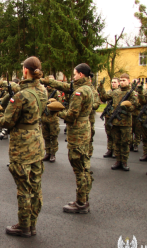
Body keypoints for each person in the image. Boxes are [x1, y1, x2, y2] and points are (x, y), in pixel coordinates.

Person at [0, 56, 47, 237]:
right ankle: (33, 224)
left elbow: (7, 122)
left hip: (22, 145)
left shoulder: (21, 96)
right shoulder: (42, 90)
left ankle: (24, 226)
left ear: (25, 71)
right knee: (36, 186)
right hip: (37, 142)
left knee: (23, 187)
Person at [41, 63, 94, 213]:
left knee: (79, 168)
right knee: (83, 166)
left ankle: (81, 203)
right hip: (84, 131)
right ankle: (83, 199)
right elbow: (64, 86)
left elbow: (71, 116)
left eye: (75, 74)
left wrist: (56, 111)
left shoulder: (80, 92)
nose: (73, 76)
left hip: (78, 132)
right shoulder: (86, 87)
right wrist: (46, 80)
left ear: (81, 75)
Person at [98, 74, 139, 171]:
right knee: (116, 142)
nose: (122, 82)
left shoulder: (132, 93)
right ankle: (117, 160)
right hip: (115, 122)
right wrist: (101, 87)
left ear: (128, 81)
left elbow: (135, 106)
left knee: (125, 143)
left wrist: (128, 108)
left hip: (126, 123)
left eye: (124, 80)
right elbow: (104, 98)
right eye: (120, 80)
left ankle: (124, 162)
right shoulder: (115, 92)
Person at [41, 75, 62, 162]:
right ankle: (47, 152)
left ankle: (53, 154)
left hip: (53, 118)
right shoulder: (43, 92)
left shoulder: (56, 93)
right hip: (44, 117)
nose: (49, 85)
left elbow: (60, 105)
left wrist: (52, 102)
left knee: (53, 136)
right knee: (46, 136)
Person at [101, 78, 119, 158]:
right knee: (109, 133)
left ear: (118, 83)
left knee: (115, 134)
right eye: (112, 82)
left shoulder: (119, 92)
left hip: (115, 116)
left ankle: (115, 150)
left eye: (115, 82)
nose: (113, 84)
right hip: (108, 116)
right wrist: (101, 87)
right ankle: (110, 149)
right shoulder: (109, 92)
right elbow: (104, 98)